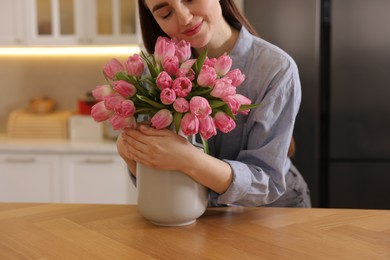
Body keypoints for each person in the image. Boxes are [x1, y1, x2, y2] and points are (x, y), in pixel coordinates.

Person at [117, 0, 311, 207]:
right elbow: (157, 171)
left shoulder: (275, 68)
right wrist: (130, 152)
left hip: (273, 212)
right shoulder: (155, 72)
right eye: (165, 14)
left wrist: (189, 159)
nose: (184, 18)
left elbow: (267, 183)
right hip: (195, 211)